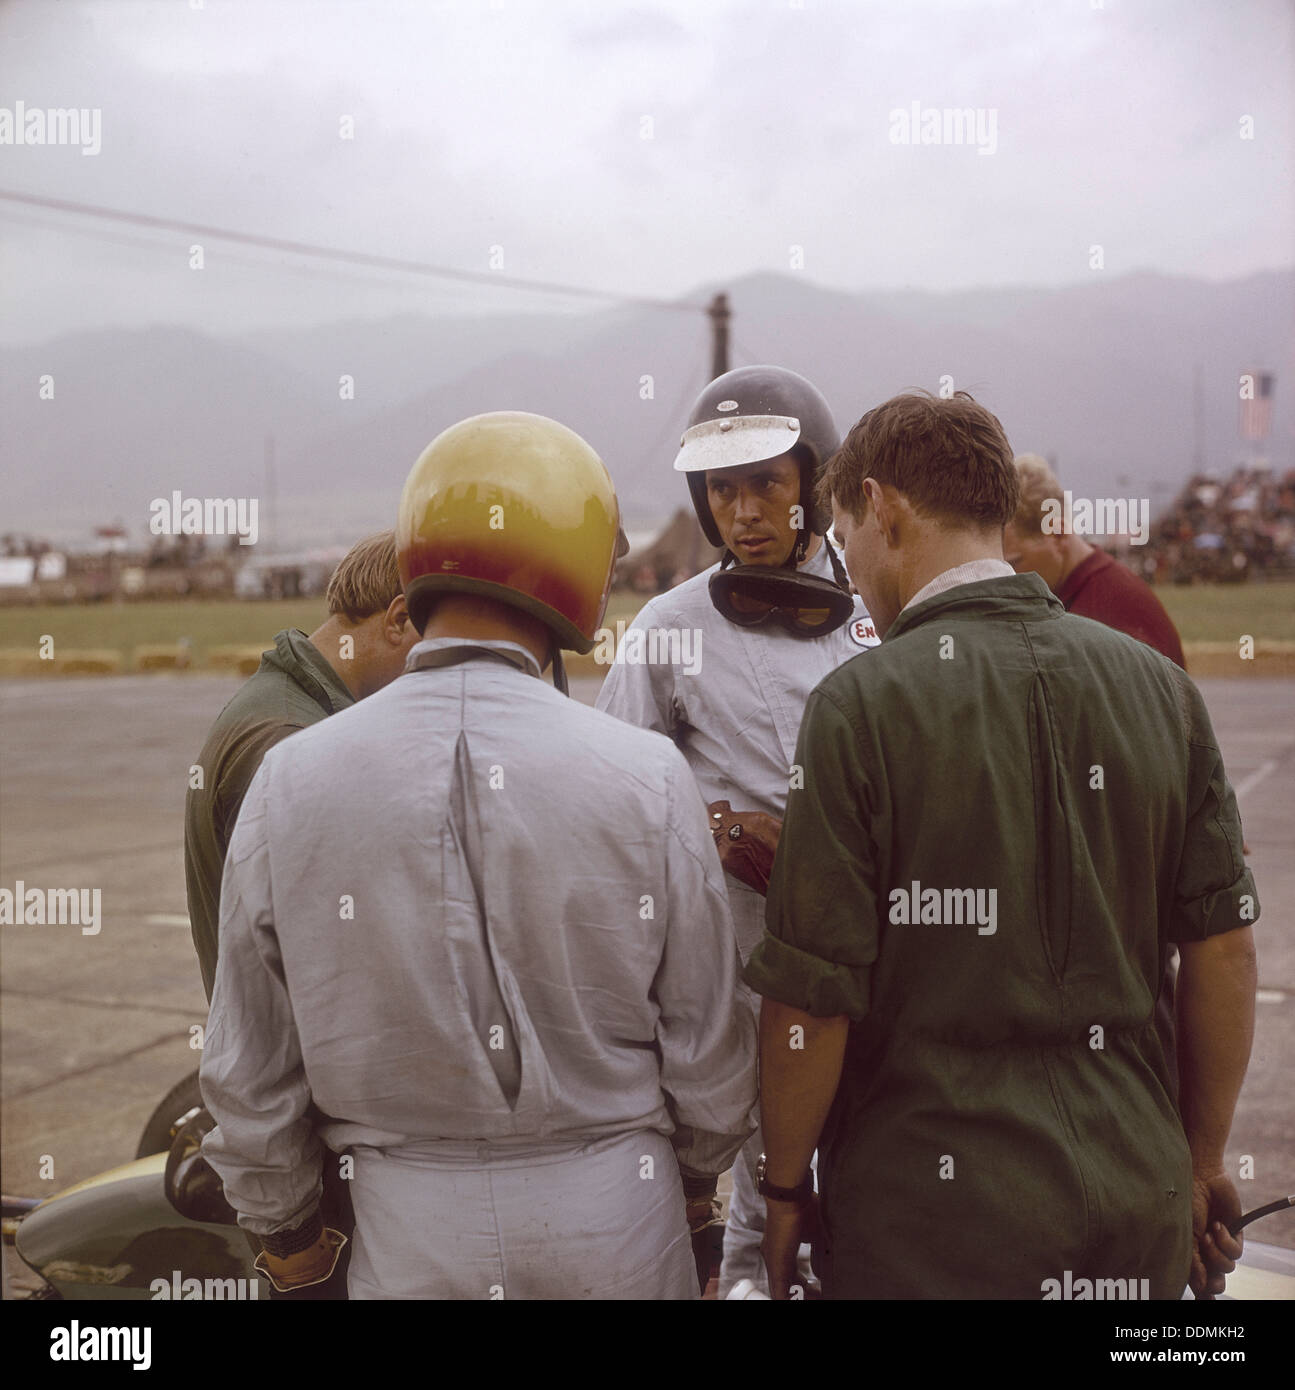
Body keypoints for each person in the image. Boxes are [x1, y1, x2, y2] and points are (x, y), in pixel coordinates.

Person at [199, 411, 756, 1300]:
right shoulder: (646, 774)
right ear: (578, 570)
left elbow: (247, 1066)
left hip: (405, 1231)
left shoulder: (290, 779)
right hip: (617, 1217)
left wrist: (293, 1247)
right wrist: (691, 1186)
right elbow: (709, 1049)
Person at [746, 391, 1258, 1301]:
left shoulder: (856, 708)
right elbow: (1220, 948)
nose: (849, 566)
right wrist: (1197, 1160)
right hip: (1135, 1200)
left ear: (884, 508)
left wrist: (785, 1192)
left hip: (929, 1223)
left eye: (844, 535)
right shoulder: (1159, 690)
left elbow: (811, 1005)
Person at [596, 365, 880, 1297]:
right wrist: (707, 825)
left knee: (882, 1181)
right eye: (723, 489)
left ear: (817, 480)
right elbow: (612, 790)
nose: (745, 510)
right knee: (770, 1199)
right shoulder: (665, 629)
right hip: (755, 971)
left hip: (894, 962)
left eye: (766, 481)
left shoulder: (886, 610)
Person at [184, 530, 418, 1001]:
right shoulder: (292, 740)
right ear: (399, 619)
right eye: (435, 648)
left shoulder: (286, 707)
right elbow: (332, 962)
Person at [1003, 453, 1185, 665]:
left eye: (1014, 563)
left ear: (1058, 534)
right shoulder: (1082, 593)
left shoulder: (1110, 613)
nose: (1008, 578)